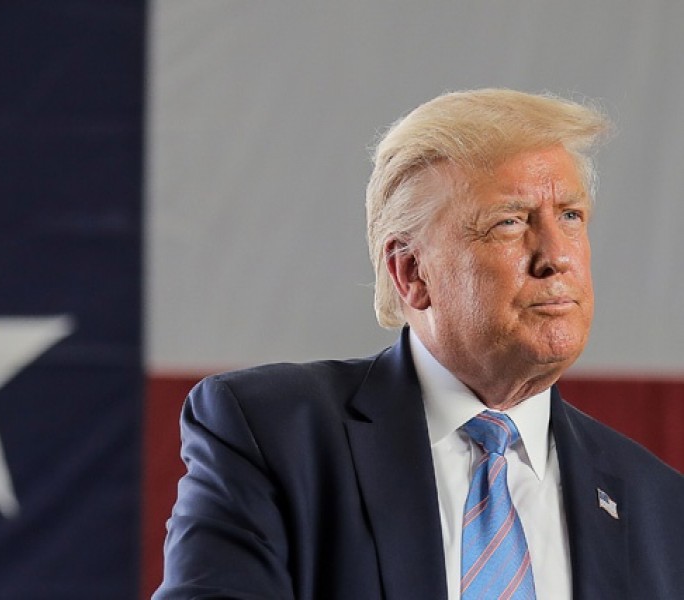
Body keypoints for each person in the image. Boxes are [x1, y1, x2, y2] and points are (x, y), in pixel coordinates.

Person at [153, 89, 684, 600]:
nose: (556, 256)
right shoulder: (273, 435)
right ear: (411, 273)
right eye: (509, 222)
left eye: (570, 216)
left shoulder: (659, 505)